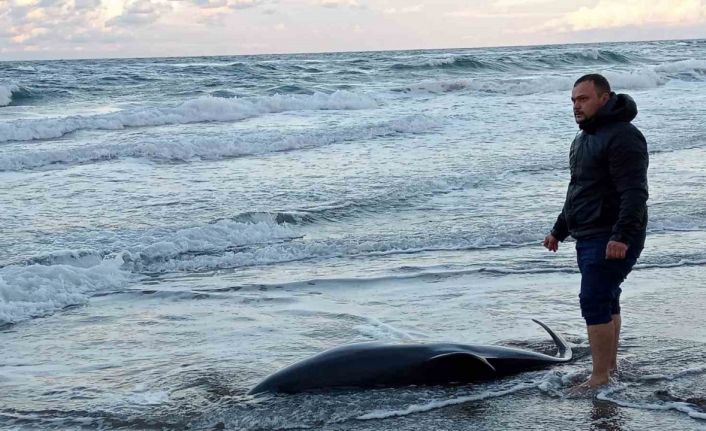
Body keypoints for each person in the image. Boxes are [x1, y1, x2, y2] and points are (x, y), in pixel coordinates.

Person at [543, 74, 649, 390]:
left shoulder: (624, 136)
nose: (576, 105)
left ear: (604, 98)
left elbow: (635, 192)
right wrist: (558, 230)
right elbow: (578, 190)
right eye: (574, 100)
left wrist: (621, 235)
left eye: (583, 99)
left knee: (593, 299)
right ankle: (609, 369)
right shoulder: (583, 139)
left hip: (611, 234)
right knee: (607, 297)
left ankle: (599, 377)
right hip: (589, 234)